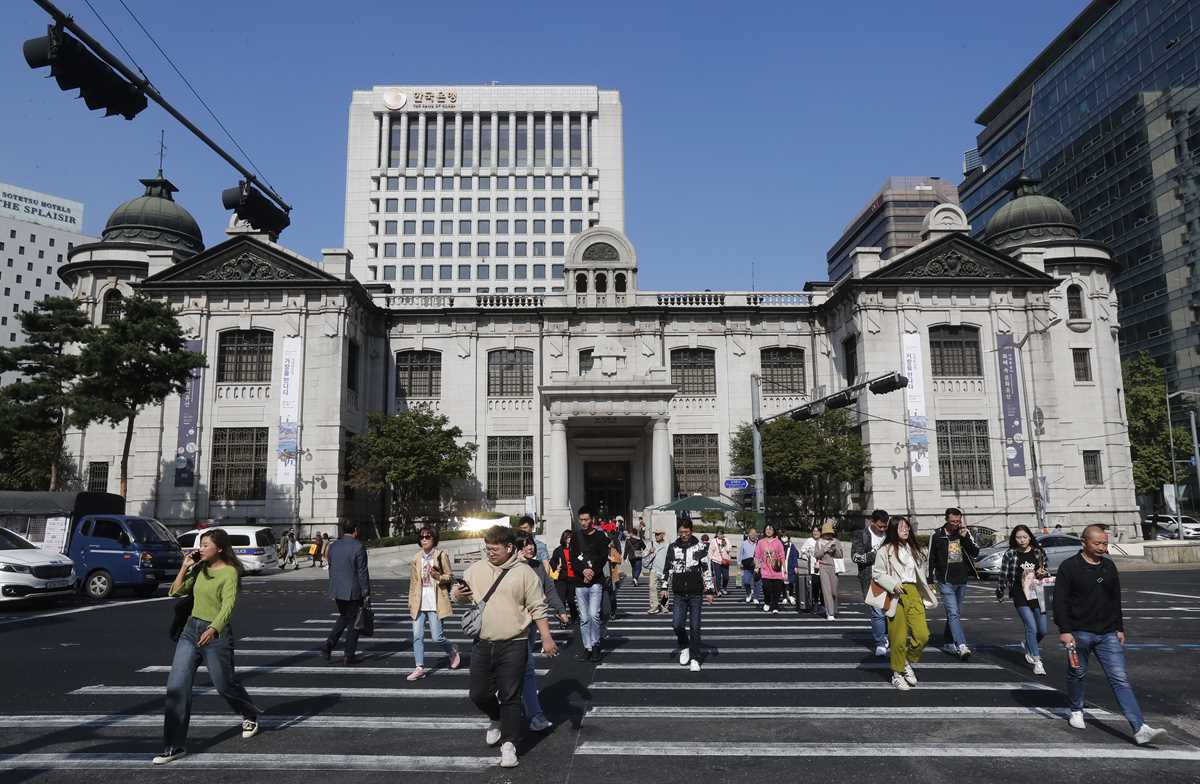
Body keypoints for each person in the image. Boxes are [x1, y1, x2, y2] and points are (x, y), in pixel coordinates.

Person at [453, 525, 559, 768]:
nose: (489, 553)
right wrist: (459, 594)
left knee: (511, 695)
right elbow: (460, 597)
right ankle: (495, 717)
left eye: (494, 549)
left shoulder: (525, 573)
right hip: (483, 642)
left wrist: (546, 637)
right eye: (487, 548)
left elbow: (538, 607)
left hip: (515, 643)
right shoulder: (476, 569)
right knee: (478, 694)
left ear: (509, 547)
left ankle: (509, 745)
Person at [1054, 525, 1166, 745]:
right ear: (1084, 542)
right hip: (1078, 632)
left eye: (1104, 543)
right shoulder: (1069, 567)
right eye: (1097, 543)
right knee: (1077, 673)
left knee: (1120, 679)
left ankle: (1139, 728)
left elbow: (1115, 599)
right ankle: (1076, 709)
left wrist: (1119, 628)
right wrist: (1065, 630)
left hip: (1107, 633)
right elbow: (1059, 601)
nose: (1102, 547)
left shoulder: (1108, 566)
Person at [155, 528, 259, 765]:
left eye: (205, 545)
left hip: (216, 635)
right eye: (200, 544)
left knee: (224, 685)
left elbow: (228, 606)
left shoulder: (230, 572)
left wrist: (213, 629)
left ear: (219, 548)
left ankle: (249, 712)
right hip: (190, 631)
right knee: (177, 688)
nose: (200, 549)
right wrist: (184, 567)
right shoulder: (199, 568)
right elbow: (175, 591)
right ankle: (174, 746)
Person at [872, 516, 936, 691]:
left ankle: (906, 661)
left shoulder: (914, 548)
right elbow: (877, 573)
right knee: (898, 638)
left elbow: (921, 572)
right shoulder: (885, 550)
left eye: (907, 527)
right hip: (895, 595)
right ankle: (897, 674)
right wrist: (892, 584)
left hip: (914, 593)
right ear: (893, 530)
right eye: (901, 527)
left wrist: (928, 584)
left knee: (922, 635)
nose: (906, 530)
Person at [515, 534, 571, 732]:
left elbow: (549, 590)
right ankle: (505, 715)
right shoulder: (509, 568)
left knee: (526, 669)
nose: (529, 548)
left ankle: (532, 713)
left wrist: (560, 610)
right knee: (517, 671)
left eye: (530, 543)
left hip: (531, 625)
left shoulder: (538, 566)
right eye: (524, 545)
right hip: (511, 626)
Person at [659, 520, 715, 672]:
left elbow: (706, 569)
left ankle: (695, 658)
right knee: (677, 624)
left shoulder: (700, 547)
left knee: (695, 626)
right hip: (678, 593)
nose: (683, 535)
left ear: (691, 531)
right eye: (681, 532)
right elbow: (667, 568)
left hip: (696, 593)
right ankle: (684, 646)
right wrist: (664, 587)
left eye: (686, 532)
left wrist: (709, 590)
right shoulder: (673, 547)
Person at [406, 526, 461, 680]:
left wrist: (438, 577)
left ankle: (452, 650)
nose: (424, 539)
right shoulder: (416, 558)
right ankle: (419, 667)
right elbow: (413, 582)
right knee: (417, 636)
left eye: (427, 537)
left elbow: (450, 576)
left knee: (437, 637)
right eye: (422, 537)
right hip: (419, 602)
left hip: (435, 602)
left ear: (434, 539)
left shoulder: (440, 555)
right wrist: (410, 601)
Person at [995, 524, 1049, 676]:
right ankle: (1037, 661)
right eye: (1018, 537)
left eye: (1025, 537)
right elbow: (1004, 574)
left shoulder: (1038, 552)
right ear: (1014, 539)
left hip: (1037, 593)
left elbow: (1046, 570)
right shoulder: (1010, 554)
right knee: (1031, 627)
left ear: (1030, 537)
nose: (1022, 540)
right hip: (1019, 593)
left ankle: (1028, 645)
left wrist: (1043, 572)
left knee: (1043, 630)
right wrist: (1000, 591)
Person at [927, 507, 980, 660]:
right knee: (953, 613)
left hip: (961, 579)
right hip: (945, 580)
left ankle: (948, 641)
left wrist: (964, 537)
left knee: (954, 613)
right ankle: (961, 645)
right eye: (952, 521)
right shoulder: (937, 535)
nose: (955, 524)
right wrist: (930, 579)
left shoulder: (964, 532)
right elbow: (931, 558)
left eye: (958, 521)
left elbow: (975, 552)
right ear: (946, 520)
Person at [320, 521, 371, 665]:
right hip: (353, 590)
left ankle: (329, 644)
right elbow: (362, 572)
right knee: (354, 622)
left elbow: (331, 567)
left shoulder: (333, 546)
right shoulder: (358, 546)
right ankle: (349, 654)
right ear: (355, 530)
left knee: (344, 617)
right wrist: (366, 591)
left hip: (337, 589)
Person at [570, 505, 612, 662]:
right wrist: (583, 571)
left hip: (596, 581)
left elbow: (603, 557)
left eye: (586, 519)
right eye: (581, 519)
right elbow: (573, 558)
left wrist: (592, 571)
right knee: (584, 617)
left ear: (592, 520)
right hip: (580, 582)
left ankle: (595, 644)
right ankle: (587, 647)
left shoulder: (601, 536)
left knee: (594, 614)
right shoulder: (575, 537)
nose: (583, 522)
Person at [852, 509, 891, 657]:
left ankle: (886, 635)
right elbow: (856, 557)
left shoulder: (889, 535)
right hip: (871, 578)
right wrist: (876, 555)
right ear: (872, 522)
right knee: (877, 611)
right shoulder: (861, 535)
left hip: (890, 578)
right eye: (880, 526)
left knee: (889, 610)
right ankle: (880, 642)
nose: (882, 529)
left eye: (885, 526)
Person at [814, 521, 844, 620]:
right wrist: (825, 549)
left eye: (830, 533)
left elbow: (840, 555)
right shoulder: (819, 542)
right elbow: (816, 555)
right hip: (823, 567)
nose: (828, 535)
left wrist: (835, 550)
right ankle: (830, 612)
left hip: (834, 567)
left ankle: (834, 609)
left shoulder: (836, 541)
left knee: (834, 591)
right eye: (826, 533)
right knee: (826, 590)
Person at [755, 524, 787, 614]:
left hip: (776, 570)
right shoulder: (760, 542)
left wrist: (785, 569)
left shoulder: (778, 542)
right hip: (765, 570)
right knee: (766, 588)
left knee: (777, 590)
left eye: (771, 529)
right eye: (767, 529)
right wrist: (757, 567)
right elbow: (757, 555)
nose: (768, 531)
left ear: (774, 531)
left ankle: (775, 606)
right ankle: (767, 602)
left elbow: (782, 556)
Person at [548, 529, 578, 623]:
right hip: (561, 578)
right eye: (567, 537)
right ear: (564, 538)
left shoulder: (575, 549)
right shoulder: (558, 550)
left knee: (571, 600)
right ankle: (562, 620)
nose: (569, 539)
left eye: (571, 537)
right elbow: (552, 562)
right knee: (562, 600)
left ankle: (575, 617)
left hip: (573, 578)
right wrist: (557, 567)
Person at [647, 530, 669, 614]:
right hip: (654, 570)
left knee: (664, 588)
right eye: (655, 534)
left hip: (664, 570)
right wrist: (649, 552)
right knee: (652, 587)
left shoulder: (667, 545)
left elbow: (671, 557)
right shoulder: (650, 544)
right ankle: (654, 606)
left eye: (658, 534)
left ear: (663, 535)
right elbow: (644, 555)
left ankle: (664, 606)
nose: (656, 536)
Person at [738, 527, 762, 604]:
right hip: (746, 566)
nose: (753, 535)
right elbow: (740, 554)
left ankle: (756, 598)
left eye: (755, 533)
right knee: (746, 581)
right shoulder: (744, 543)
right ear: (748, 534)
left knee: (757, 583)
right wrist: (739, 563)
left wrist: (760, 564)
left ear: (756, 534)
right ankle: (749, 593)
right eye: (751, 533)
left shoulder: (760, 543)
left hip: (756, 566)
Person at [708, 527, 732, 596]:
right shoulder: (713, 541)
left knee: (726, 577)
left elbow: (729, 549)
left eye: (722, 534)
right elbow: (710, 551)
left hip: (725, 561)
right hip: (716, 561)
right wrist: (711, 559)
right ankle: (718, 590)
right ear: (716, 534)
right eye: (719, 534)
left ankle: (724, 588)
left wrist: (725, 545)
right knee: (718, 577)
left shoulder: (726, 540)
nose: (720, 535)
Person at [806, 526, 824, 614]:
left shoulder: (824, 541)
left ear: (821, 532)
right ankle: (815, 603)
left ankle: (823, 605)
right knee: (814, 586)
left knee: (823, 587)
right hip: (813, 569)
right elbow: (803, 551)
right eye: (814, 531)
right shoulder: (809, 541)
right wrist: (806, 555)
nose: (815, 533)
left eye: (817, 531)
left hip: (823, 568)